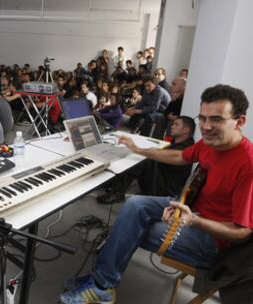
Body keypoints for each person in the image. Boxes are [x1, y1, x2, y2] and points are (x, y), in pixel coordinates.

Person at [60, 84, 253, 304]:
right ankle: (101, 281)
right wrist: (139, 150)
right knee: (133, 206)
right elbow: (180, 157)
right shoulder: (211, 143)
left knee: (130, 226)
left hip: (212, 242)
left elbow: (242, 232)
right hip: (191, 209)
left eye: (216, 119)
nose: (206, 127)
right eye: (203, 118)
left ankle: (102, 285)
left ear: (239, 121)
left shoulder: (248, 165)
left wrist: (195, 220)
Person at [97, 116, 195, 204]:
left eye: (176, 124)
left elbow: (171, 155)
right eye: (173, 124)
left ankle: (117, 193)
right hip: (164, 181)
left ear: (186, 130)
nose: (172, 126)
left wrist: (136, 149)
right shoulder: (181, 144)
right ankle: (113, 185)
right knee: (146, 156)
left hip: (166, 191)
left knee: (143, 160)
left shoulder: (187, 149)